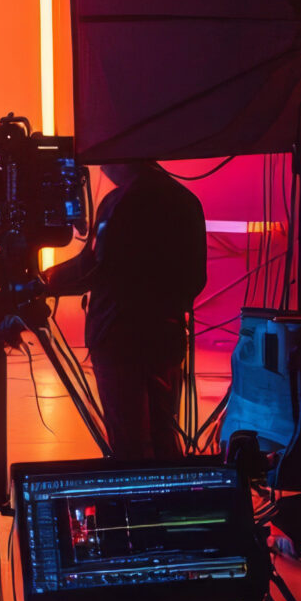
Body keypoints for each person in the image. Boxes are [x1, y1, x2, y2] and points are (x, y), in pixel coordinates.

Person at [41, 159, 207, 463]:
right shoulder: (186, 200)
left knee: (128, 440)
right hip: (167, 335)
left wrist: (44, 280)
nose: (101, 169)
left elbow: (91, 269)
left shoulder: (120, 203)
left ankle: (133, 502)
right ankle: (169, 501)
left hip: (117, 338)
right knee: (163, 433)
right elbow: (196, 280)